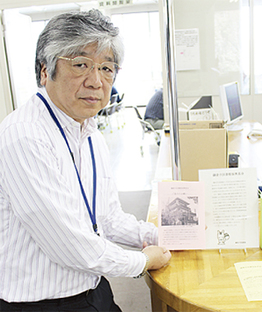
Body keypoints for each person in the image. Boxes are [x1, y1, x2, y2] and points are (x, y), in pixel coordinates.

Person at [0, 9, 171, 312]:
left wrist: (163, 234)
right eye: (81, 65)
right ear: (44, 70)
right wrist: (143, 260)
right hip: (41, 304)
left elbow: (108, 217)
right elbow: (69, 245)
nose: (96, 81)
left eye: (107, 68)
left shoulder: (89, 132)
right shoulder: (24, 135)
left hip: (92, 287)